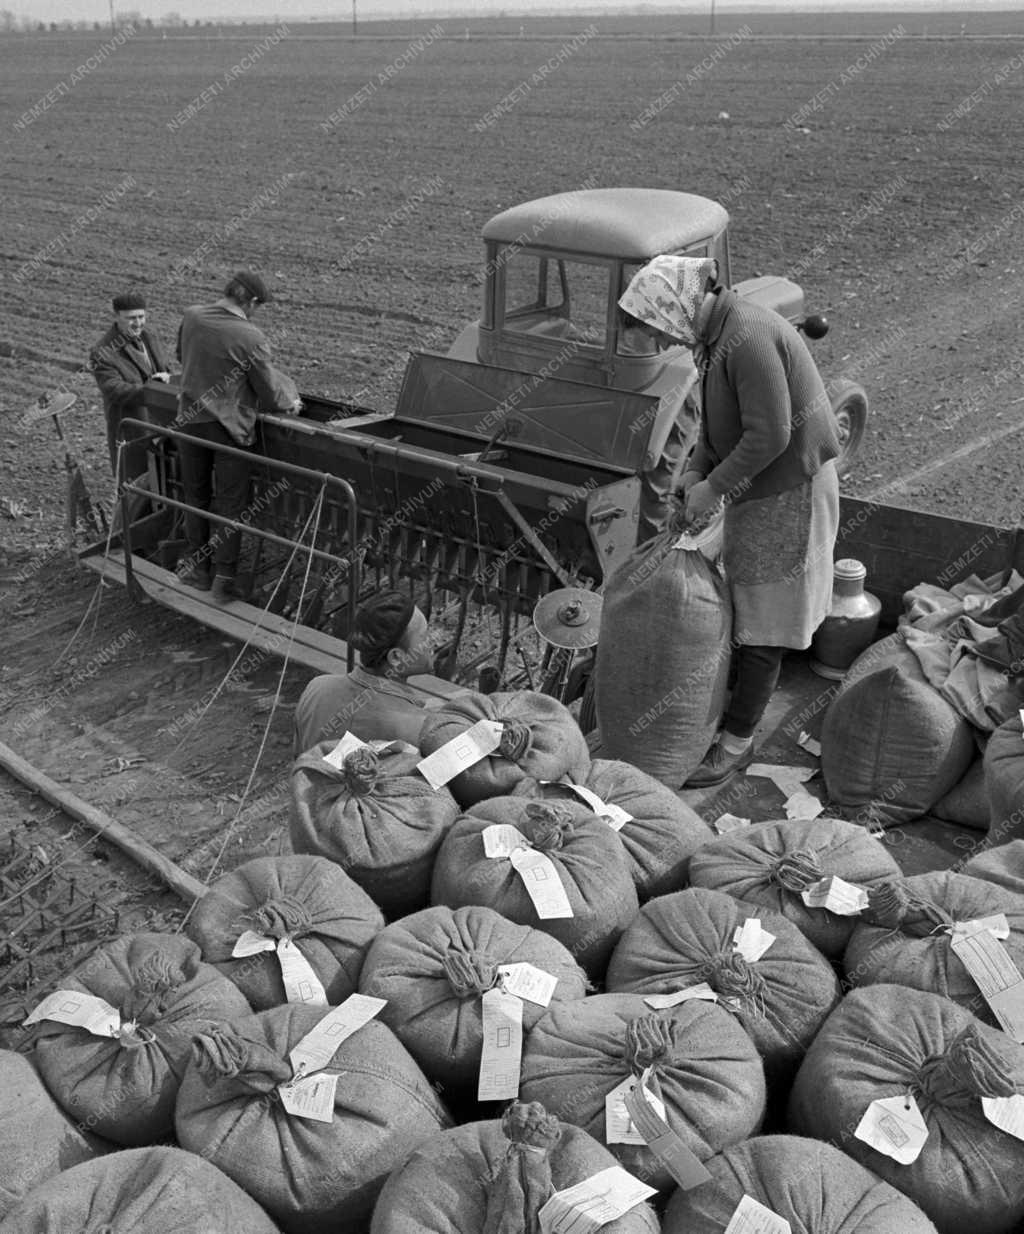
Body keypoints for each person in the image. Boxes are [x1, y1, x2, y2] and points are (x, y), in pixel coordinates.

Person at [618, 254, 840, 787]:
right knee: (744, 602)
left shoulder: (749, 335)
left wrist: (713, 488)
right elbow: (717, 431)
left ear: (672, 308)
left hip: (791, 491)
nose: (659, 338)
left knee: (765, 621)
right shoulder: (713, 341)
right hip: (758, 488)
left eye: (655, 326)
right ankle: (727, 711)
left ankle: (736, 743)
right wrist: (694, 472)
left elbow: (772, 436)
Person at [176, 270, 302, 602]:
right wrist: (291, 401)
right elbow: (270, 395)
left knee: (195, 496)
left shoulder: (191, 316)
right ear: (250, 300)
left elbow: (181, 358)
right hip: (229, 429)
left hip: (189, 421)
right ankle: (223, 581)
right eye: (258, 306)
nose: (256, 312)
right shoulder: (250, 336)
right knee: (231, 506)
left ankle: (198, 570)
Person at [293, 590, 439, 755]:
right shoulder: (418, 728)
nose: (432, 640)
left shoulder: (317, 689)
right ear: (397, 657)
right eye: (424, 636)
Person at [89, 291, 171, 479]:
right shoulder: (103, 351)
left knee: (164, 476)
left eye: (141, 316)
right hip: (133, 427)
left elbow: (164, 367)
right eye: (131, 318)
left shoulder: (149, 336)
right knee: (133, 481)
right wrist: (153, 391)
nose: (138, 323)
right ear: (116, 317)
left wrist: (167, 377)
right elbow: (114, 390)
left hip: (160, 422)